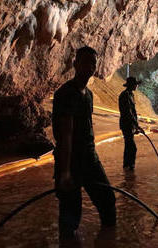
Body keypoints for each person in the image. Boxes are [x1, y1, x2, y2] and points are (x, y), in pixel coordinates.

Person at [52, 46, 116, 243]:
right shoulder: (66, 93)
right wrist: (64, 172)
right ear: (75, 64)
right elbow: (66, 134)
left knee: (107, 201)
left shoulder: (88, 94)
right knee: (71, 217)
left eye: (93, 63)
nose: (90, 66)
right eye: (85, 61)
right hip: (71, 160)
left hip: (90, 157)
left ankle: (108, 241)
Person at [118, 77, 143, 170]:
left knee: (129, 145)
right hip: (126, 124)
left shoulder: (131, 95)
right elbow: (127, 112)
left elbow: (133, 111)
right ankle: (129, 166)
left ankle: (127, 166)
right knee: (132, 147)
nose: (137, 86)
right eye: (135, 84)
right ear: (131, 85)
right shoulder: (125, 95)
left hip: (130, 124)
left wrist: (135, 126)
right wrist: (136, 125)